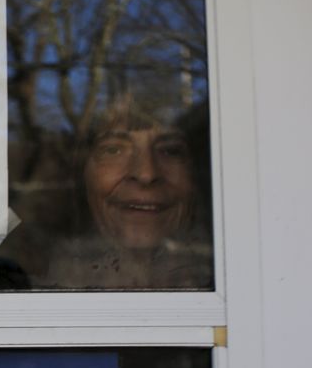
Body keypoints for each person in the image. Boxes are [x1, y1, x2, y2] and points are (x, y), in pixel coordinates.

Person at [46, 97, 213, 289]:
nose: (146, 174)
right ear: (82, 173)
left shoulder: (225, 278)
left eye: (170, 150)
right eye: (114, 149)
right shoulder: (33, 283)